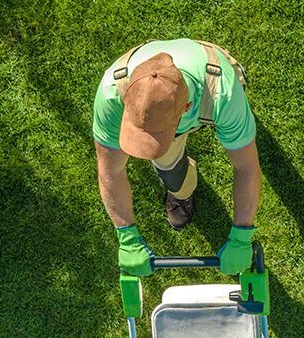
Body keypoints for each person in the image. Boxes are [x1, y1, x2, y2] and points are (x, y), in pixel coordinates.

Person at [93, 38, 261, 276]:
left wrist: (241, 237)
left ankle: (235, 79)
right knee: (171, 174)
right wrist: (127, 236)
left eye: (155, 135)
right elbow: (110, 170)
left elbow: (246, 167)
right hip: (188, 110)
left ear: (186, 107)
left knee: (238, 131)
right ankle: (182, 193)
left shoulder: (222, 92)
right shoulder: (112, 94)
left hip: (210, 93)